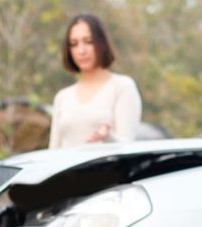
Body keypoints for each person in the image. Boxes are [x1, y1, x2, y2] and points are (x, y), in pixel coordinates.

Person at [49, 13, 142, 149]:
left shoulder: (122, 87)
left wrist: (107, 138)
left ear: (102, 43)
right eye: (74, 44)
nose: (81, 50)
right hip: (67, 171)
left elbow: (128, 147)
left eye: (89, 42)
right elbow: (53, 151)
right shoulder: (63, 97)